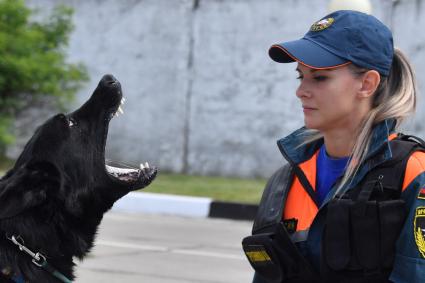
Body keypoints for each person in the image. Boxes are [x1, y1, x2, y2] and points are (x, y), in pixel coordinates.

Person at [242, 10, 425, 283]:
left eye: (319, 78)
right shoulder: (285, 181)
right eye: (300, 76)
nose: (301, 90)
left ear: (367, 83)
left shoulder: (411, 172)